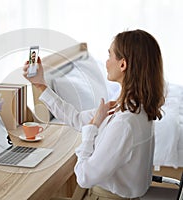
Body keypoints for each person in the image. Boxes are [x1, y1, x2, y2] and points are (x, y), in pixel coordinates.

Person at [23, 29, 165, 200]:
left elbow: (83, 177)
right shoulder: (134, 107)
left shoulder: (124, 123)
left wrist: (92, 129)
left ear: (123, 64)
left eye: (110, 55)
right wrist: (41, 86)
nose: (106, 62)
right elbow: (75, 118)